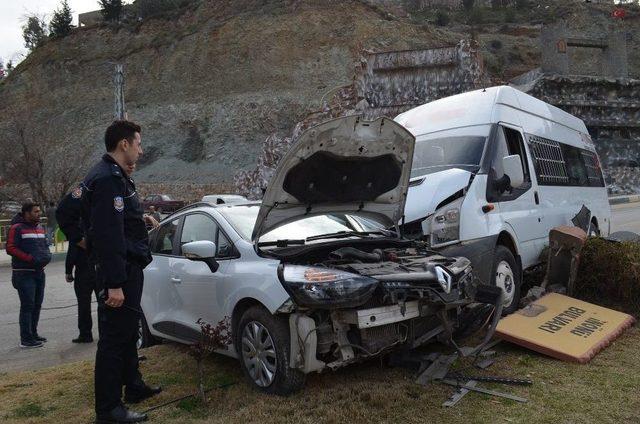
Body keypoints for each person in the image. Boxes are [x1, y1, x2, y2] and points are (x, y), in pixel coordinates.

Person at [81, 120, 160, 424]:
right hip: (119, 272)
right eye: (138, 143)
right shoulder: (107, 180)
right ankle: (109, 410)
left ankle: (134, 387)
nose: (141, 150)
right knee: (114, 340)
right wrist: (114, 283)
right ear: (124, 144)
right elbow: (108, 235)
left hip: (128, 267)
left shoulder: (115, 177)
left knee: (127, 334)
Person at [5, 202, 52, 348]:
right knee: (28, 306)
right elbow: (10, 248)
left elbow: (44, 245)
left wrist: (47, 255)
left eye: (39, 211)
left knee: (37, 305)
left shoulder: (39, 228)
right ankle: (26, 339)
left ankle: (33, 333)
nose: (39, 214)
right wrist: (30, 259)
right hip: (24, 274)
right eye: (36, 211)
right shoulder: (16, 228)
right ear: (26, 213)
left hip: (39, 273)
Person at [57, 187, 98, 343]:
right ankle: (105, 332)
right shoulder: (92, 227)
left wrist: (68, 271)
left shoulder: (77, 231)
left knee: (84, 304)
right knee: (103, 302)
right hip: (97, 267)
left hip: (83, 271)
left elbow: (72, 252)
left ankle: (85, 334)